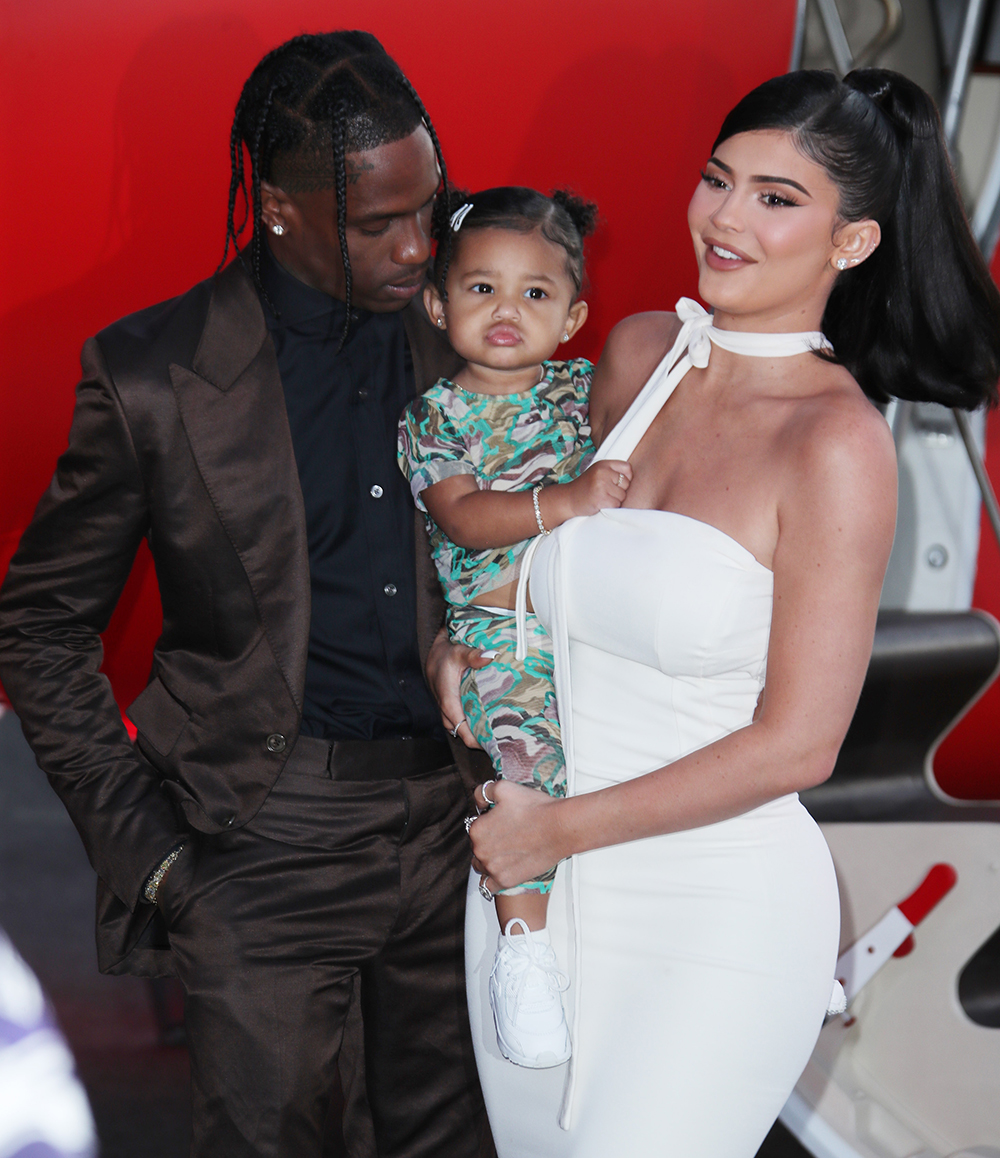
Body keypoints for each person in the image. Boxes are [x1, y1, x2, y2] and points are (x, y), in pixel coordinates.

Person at [459, 68, 1000, 1157]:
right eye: (718, 180)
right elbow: (529, 556)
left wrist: (554, 829)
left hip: (709, 914)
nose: (726, 217)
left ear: (852, 242)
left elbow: (799, 744)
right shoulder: (635, 357)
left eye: (776, 197)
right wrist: (457, 646)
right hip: (531, 905)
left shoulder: (836, 444)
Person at [0, 31, 494, 1158]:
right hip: (263, 842)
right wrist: (155, 857)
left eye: (429, 208)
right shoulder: (153, 375)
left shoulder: (471, 335)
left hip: (463, 838)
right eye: (377, 223)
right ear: (277, 210)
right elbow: (40, 625)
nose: (417, 246)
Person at [398, 187, 631, 1070]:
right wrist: (562, 502)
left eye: (535, 293)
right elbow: (463, 517)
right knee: (525, 774)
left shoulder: (585, 391)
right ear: (438, 305)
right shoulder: (434, 418)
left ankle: (731, 922)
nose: (507, 309)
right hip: (505, 634)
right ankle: (524, 949)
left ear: (573, 317)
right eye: (481, 288)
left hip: (599, 626)